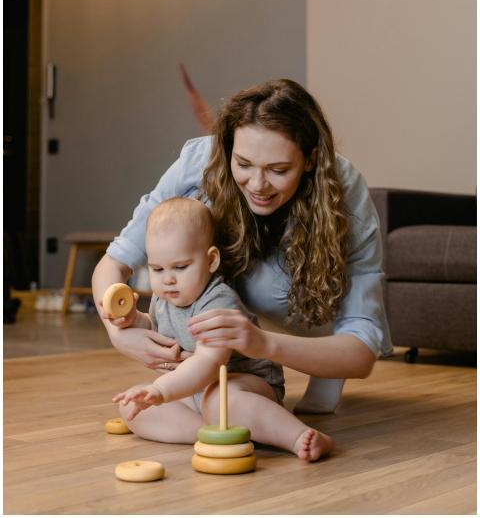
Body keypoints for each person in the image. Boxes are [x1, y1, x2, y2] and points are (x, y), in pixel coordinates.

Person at [92, 78, 392, 423]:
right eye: (244, 164)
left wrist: (261, 343)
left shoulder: (344, 190)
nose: (258, 185)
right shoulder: (199, 162)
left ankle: (317, 363)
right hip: (229, 310)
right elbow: (114, 263)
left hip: (300, 312)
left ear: (309, 161)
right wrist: (119, 332)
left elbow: (361, 352)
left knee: (272, 299)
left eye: (278, 170)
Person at [110, 197, 333, 460]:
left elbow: (209, 361)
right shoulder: (163, 299)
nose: (168, 279)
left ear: (211, 261)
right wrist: (134, 322)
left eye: (181, 267)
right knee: (133, 408)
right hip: (194, 389)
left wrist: (162, 390)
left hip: (244, 383)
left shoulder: (218, 302)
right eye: (157, 269)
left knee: (218, 401)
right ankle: (213, 431)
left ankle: (296, 436)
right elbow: (158, 332)